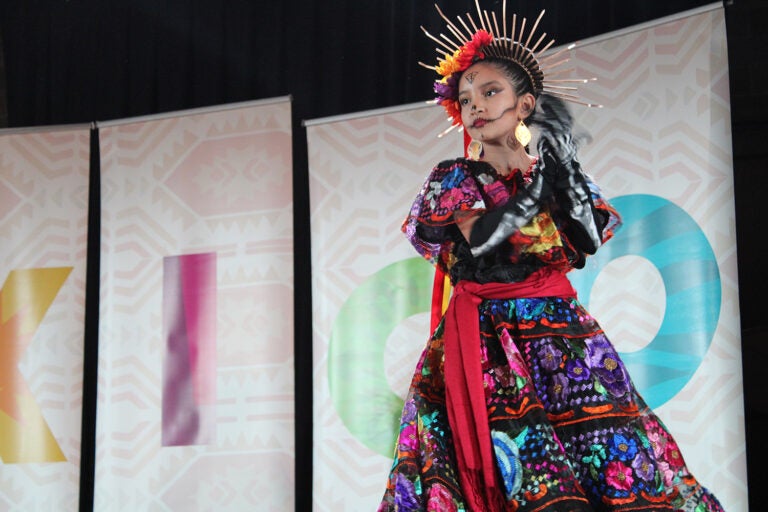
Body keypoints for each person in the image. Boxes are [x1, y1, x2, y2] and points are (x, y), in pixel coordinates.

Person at [377, 2, 725, 511]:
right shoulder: (453, 178)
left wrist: (562, 169)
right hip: (485, 344)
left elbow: (584, 239)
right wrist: (543, 185)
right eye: (466, 97)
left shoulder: (555, 169)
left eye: (490, 91)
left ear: (525, 105)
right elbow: (486, 238)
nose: (475, 106)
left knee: (616, 468)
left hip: (564, 341)